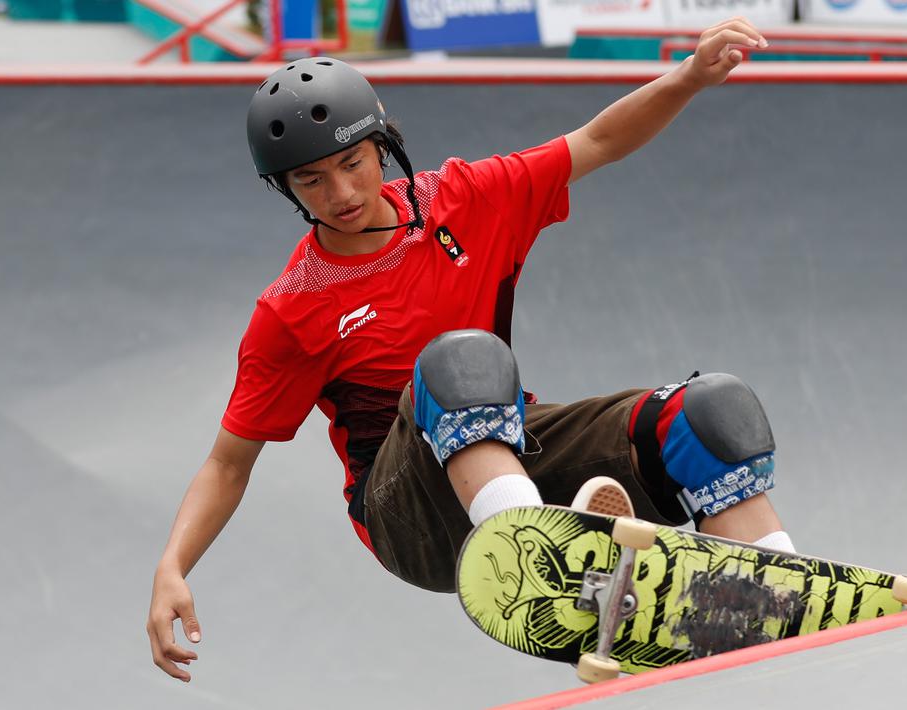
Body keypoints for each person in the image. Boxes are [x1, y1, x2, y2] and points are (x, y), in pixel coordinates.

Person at [148, 18, 796, 683]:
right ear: (285, 188)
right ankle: (528, 555)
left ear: (381, 146)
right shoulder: (292, 309)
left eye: (351, 164)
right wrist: (172, 566)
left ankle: (785, 594)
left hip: (509, 454)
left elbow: (597, 140)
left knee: (706, 415)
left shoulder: (464, 200)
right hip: (408, 515)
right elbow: (228, 464)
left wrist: (687, 76)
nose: (340, 194)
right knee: (457, 359)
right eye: (311, 181)